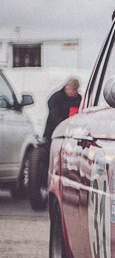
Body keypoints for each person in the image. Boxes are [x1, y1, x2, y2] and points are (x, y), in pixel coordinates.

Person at [30, 78, 81, 210]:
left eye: (76, 92)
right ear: (67, 88)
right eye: (73, 91)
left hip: (69, 135)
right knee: (45, 159)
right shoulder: (55, 98)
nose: (74, 94)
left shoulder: (77, 99)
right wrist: (63, 124)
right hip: (52, 134)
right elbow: (54, 114)